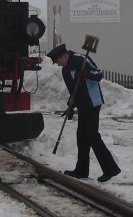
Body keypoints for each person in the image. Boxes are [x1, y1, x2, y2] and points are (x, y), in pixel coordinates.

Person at [47, 43, 121, 182]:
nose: (58, 64)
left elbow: (98, 75)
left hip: (92, 102)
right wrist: (71, 106)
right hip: (82, 105)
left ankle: (111, 169)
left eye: (58, 61)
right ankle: (81, 171)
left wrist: (85, 74)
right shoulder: (65, 70)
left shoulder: (81, 60)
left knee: (93, 136)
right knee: (82, 137)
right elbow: (74, 90)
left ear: (64, 55)